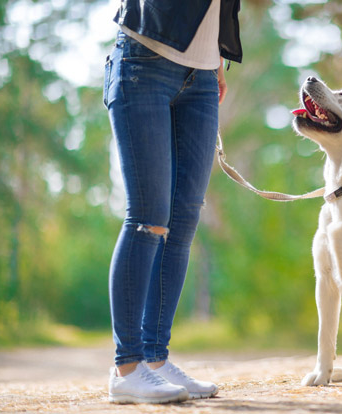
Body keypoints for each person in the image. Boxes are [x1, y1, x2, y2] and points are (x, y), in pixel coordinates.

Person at [102, 0, 242, 404]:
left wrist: (215, 57)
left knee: (181, 226)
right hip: (144, 59)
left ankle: (155, 359)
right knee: (148, 219)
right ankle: (127, 367)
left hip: (201, 76)